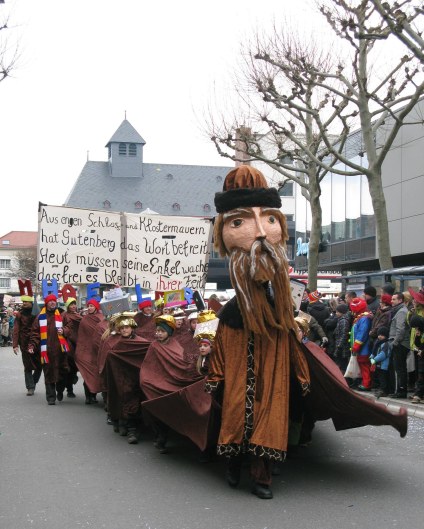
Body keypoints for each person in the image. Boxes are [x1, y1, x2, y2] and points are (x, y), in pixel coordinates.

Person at [28, 294, 70, 405]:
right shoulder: (40, 317)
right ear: (46, 303)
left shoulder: (61, 315)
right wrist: (32, 345)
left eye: (54, 301)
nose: (52, 303)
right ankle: (51, 398)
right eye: (50, 301)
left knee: (62, 373)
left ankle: (60, 390)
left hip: (61, 352)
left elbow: (69, 327)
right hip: (46, 351)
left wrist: (64, 331)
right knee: (49, 374)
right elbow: (35, 334)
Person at [74, 299, 105, 404]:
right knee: (87, 373)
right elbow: (82, 335)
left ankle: (94, 395)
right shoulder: (84, 319)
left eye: (92, 306)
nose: (90, 307)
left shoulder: (101, 318)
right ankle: (88, 396)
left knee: (96, 374)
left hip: (97, 350)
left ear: (96, 307)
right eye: (89, 306)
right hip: (86, 350)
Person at [12, 295, 42, 396]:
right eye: (23, 302)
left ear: (31, 303)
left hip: (37, 342)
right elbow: (16, 330)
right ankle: (30, 387)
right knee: (27, 366)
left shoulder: (38, 314)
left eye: (26, 302)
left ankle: (33, 382)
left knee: (39, 365)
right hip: (24, 343)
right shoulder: (19, 315)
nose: (24, 303)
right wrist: (15, 345)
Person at [389, 292, 411, 398]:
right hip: (401, 343)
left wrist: (395, 342)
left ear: (400, 300)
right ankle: (400, 390)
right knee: (400, 368)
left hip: (401, 344)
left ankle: (401, 391)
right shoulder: (399, 310)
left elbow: (400, 329)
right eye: (392, 299)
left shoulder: (401, 312)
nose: (391, 301)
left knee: (400, 368)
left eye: (394, 299)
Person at [350, 297, 373, 391]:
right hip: (362, 347)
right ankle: (365, 382)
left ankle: (366, 384)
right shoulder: (361, 317)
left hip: (364, 347)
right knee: (363, 366)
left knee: (365, 366)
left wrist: (356, 346)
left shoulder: (363, 319)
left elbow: (361, 333)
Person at [62, 297, 82, 398]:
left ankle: (72, 380)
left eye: (74, 304)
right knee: (68, 367)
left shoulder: (79, 315)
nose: (73, 306)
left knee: (74, 367)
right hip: (68, 343)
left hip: (77, 343)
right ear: (68, 306)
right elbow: (60, 328)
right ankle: (69, 389)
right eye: (71, 304)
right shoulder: (64, 315)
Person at [369, 327, 394, 398]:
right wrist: (371, 357)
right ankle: (381, 389)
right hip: (378, 364)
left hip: (383, 365)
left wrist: (374, 360)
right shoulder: (377, 343)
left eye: (382, 335)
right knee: (379, 377)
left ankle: (384, 390)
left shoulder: (386, 344)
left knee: (383, 378)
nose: (379, 336)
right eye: (379, 334)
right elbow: (374, 351)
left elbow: (383, 354)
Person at [408, 314, 424, 403]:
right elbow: (417, 344)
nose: (416, 329)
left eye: (417, 327)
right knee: (420, 375)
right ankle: (418, 394)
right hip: (421, 356)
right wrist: (418, 336)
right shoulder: (420, 331)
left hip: (422, 353)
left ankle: (419, 394)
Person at [333, 304, 351, 375]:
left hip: (342, 347)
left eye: (337, 312)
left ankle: (344, 378)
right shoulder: (341, 320)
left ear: (342, 312)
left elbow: (344, 334)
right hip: (341, 345)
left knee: (343, 363)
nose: (336, 313)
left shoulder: (343, 321)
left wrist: (339, 345)